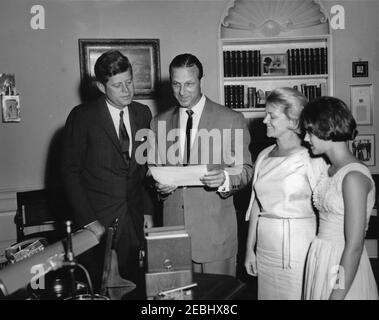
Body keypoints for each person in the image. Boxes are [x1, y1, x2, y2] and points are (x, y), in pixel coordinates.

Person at [149, 53, 253, 276]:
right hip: (173, 236)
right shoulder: (159, 122)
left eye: (189, 84)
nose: (182, 91)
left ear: (200, 81)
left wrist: (225, 179)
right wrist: (159, 187)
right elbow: (152, 172)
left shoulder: (230, 119)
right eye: (176, 84)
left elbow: (245, 170)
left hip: (214, 236)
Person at [61, 50, 154, 294]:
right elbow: (70, 173)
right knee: (101, 292)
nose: (126, 90)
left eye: (129, 82)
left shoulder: (143, 113)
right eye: (117, 85)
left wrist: (146, 210)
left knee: (136, 290)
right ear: (102, 87)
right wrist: (89, 221)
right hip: (98, 227)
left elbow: (141, 170)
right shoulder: (82, 117)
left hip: (134, 223)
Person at [244, 87, 326, 300]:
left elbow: (326, 209)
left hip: (300, 247)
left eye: (272, 115)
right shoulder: (263, 155)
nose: (264, 121)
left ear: (293, 120)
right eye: (265, 114)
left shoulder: (312, 158)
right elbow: (256, 205)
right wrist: (249, 249)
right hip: (265, 245)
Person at [301, 96, 378, 300]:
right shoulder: (329, 170)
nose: (306, 139)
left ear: (326, 128)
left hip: (342, 265)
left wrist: (337, 294)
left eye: (309, 132)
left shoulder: (353, 177)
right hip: (322, 257)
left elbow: (354, 247)